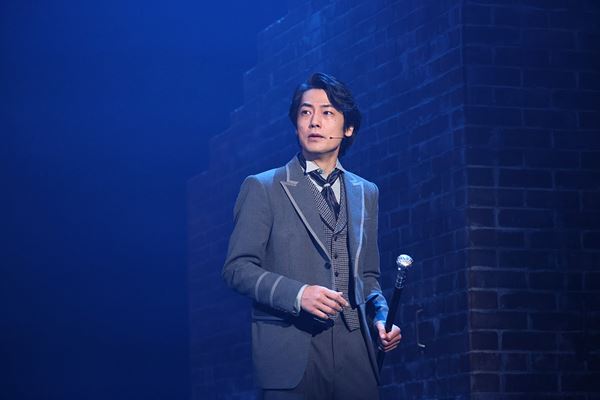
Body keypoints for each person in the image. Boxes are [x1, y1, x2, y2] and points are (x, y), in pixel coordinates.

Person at [222, 72, 401, 399]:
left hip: (356, 353)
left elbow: (368, 276)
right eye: (306, 112)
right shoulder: (263, 187)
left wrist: (381, 316)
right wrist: (298, 294)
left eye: (327, 112)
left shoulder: (366, 192)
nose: (314, 121)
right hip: (292, 351)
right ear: (296, 124)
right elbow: (237, 269)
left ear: (348, 128)